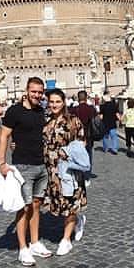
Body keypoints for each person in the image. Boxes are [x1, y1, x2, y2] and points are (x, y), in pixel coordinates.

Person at [0, 77, 53, 266]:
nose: (37, 95)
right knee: (24, 207)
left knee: (37, 205)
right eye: (34, 91)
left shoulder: (41, 111)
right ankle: (23, 249)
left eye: (40, 92)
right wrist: (2, 162)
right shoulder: (14, 111)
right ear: (27, 91)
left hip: (41, 165)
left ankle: (35, 242)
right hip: (22, 166)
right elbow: (4, 135)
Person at [42, 89, 88, 256]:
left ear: (64, 103)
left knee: (70, 203)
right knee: (59, 205)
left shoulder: (72, 121)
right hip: (51, 171)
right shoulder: (46, 121)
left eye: (57, 102)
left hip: (68, 170)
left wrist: (67, 152)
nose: (54, 105)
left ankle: (66, 240)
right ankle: (78, 220)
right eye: (51, 101)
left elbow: (82, 142)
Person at [69, 90, 97, 168]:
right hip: (89, 134)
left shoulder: (74, 109)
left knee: (78, 154)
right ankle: (87, 172)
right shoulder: (91, 109)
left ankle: (80, 172)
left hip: (77, 136)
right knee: (89, 153)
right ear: (86, 98)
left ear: (78, 98)